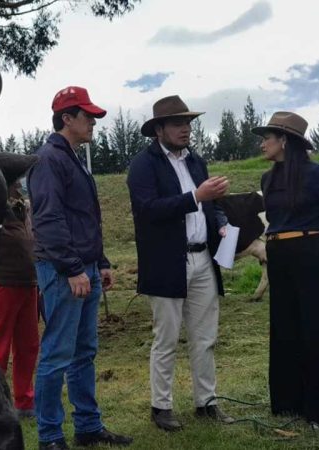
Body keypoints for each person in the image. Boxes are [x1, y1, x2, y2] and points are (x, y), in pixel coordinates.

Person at [27, 86, 133, 450]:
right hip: (62, 271)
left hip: (82, 267)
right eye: (87, 116)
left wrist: (99, 263)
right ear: (66, 119)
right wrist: (74, 268)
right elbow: (48, 220)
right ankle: (50, 436)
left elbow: (86, 220)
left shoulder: (72, 159)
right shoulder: (48, 160)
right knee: (57, 353)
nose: (93, 122)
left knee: (84, 351)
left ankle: (88, 426)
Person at [126, 95, 233, 432]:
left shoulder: (196, 161)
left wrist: (221, 220)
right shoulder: (143, 165)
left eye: (188, 123)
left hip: (203, 258)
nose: (186, 129)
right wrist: (194, 198)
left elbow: (211, 204)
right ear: (159, 129)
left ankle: (206, 402)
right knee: (167, 336)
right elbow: (147, 210)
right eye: (177, 123)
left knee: (204, 336)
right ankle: (162, 406)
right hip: (167, 261)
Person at [252, 111, 319, 431]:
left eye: (267, 138)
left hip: (314, 257)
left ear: (284, 140)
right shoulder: (267, 180)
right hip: (280, 259)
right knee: (286, 328)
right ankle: (290, 402)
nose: (262, 145)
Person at [0, 180, 39, 419]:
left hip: (29, 281)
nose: (19, 183)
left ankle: (24, 401)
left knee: (28, 345)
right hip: (4, 282)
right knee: (0, 345)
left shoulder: (22, 205)